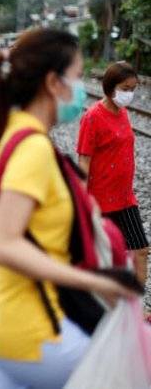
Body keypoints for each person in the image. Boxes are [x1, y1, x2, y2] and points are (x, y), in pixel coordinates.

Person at [0, 29, 137, 389]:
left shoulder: (13, 131)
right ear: (52, 82)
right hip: (35, 334)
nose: (81, 90)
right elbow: (5, 244)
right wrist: (94, 280)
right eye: (76, 78)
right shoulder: (32, 148)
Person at [77, 61, 148, 287]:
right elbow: (84, 160)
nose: (129, 95)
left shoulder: (124, 113)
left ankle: (135, 307)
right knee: (105, 260)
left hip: (125, 197)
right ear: (111, 87)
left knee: (140, 250)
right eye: (125, 89)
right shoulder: (92, 117)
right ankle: (107, 310)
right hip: (101, 200)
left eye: (133, 89)